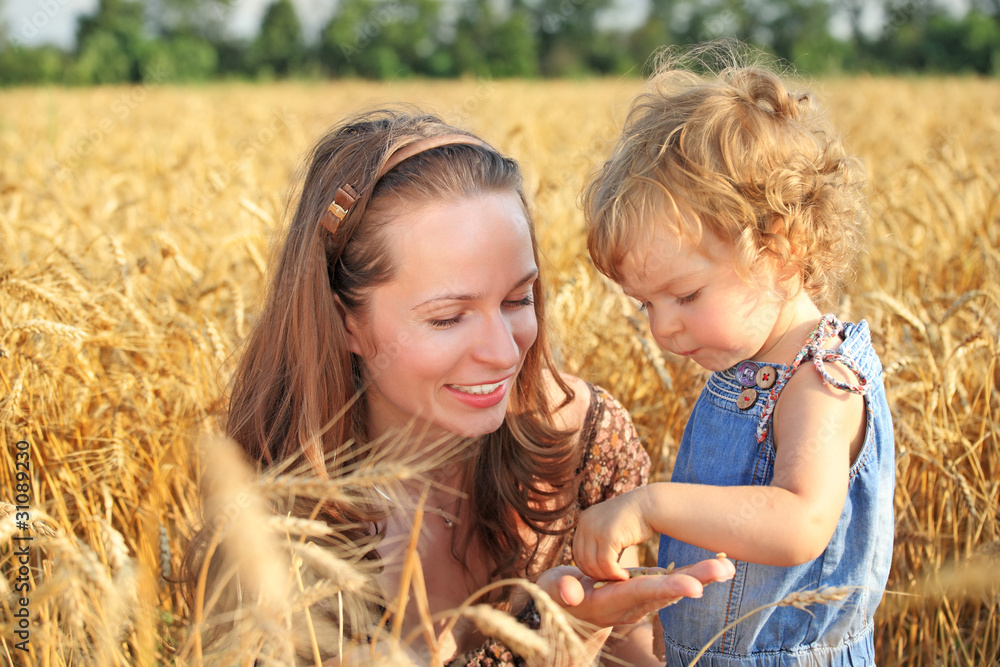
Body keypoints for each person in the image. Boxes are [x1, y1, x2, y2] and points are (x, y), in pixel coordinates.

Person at [213, 107, 735, 666]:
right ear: (344, 322)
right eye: (447, 318)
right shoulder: (268, 523)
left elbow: (634, 657)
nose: (506, 352)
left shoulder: (585, 444)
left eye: (517, 301)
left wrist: (585, 638)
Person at [573, 49, 895, 665]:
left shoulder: (819, 382)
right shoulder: (751, 368)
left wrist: (650, 505)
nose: (662, 328)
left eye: (686, 295)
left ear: (782, 246)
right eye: (645, 305)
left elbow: (799, 522)